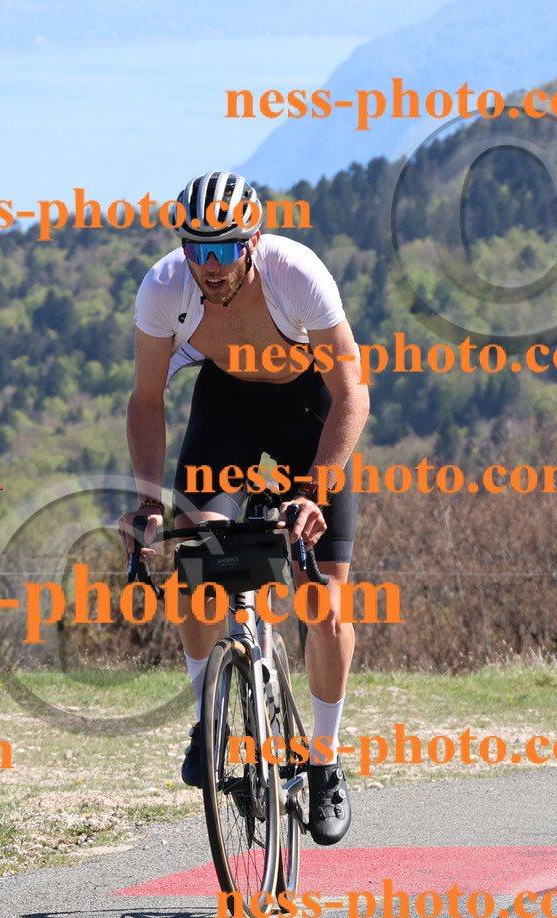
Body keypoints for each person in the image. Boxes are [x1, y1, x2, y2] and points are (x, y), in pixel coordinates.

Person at [118, 170, 370, 846]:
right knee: (195, 567)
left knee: (324, 606)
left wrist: (314, 492)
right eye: (196, 248)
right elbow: (146, 400)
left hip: (306, 415)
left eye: (225, 249)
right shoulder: (164, 288)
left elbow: (353, 392)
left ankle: (323, 762)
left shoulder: (297, 274)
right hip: (226, 410)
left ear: (252, 243)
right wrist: (147, 505)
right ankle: (209, 719)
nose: (210, 264)